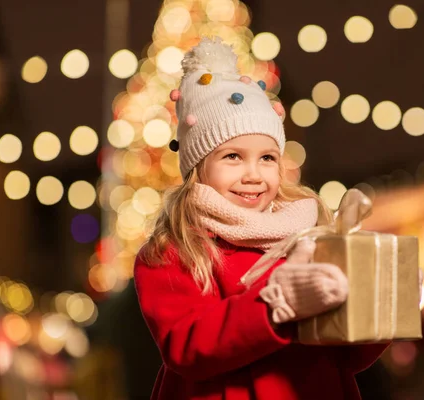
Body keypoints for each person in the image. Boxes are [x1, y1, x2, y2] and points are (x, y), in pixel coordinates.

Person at [134, 37, 388, 400]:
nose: (254, 174)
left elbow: (344, 357)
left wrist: (379, 297)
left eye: (267, 158)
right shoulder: (173, 251)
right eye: (233, 157)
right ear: (197, 168)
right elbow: (186, 346)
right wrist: (276, 304)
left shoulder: (311, 236)